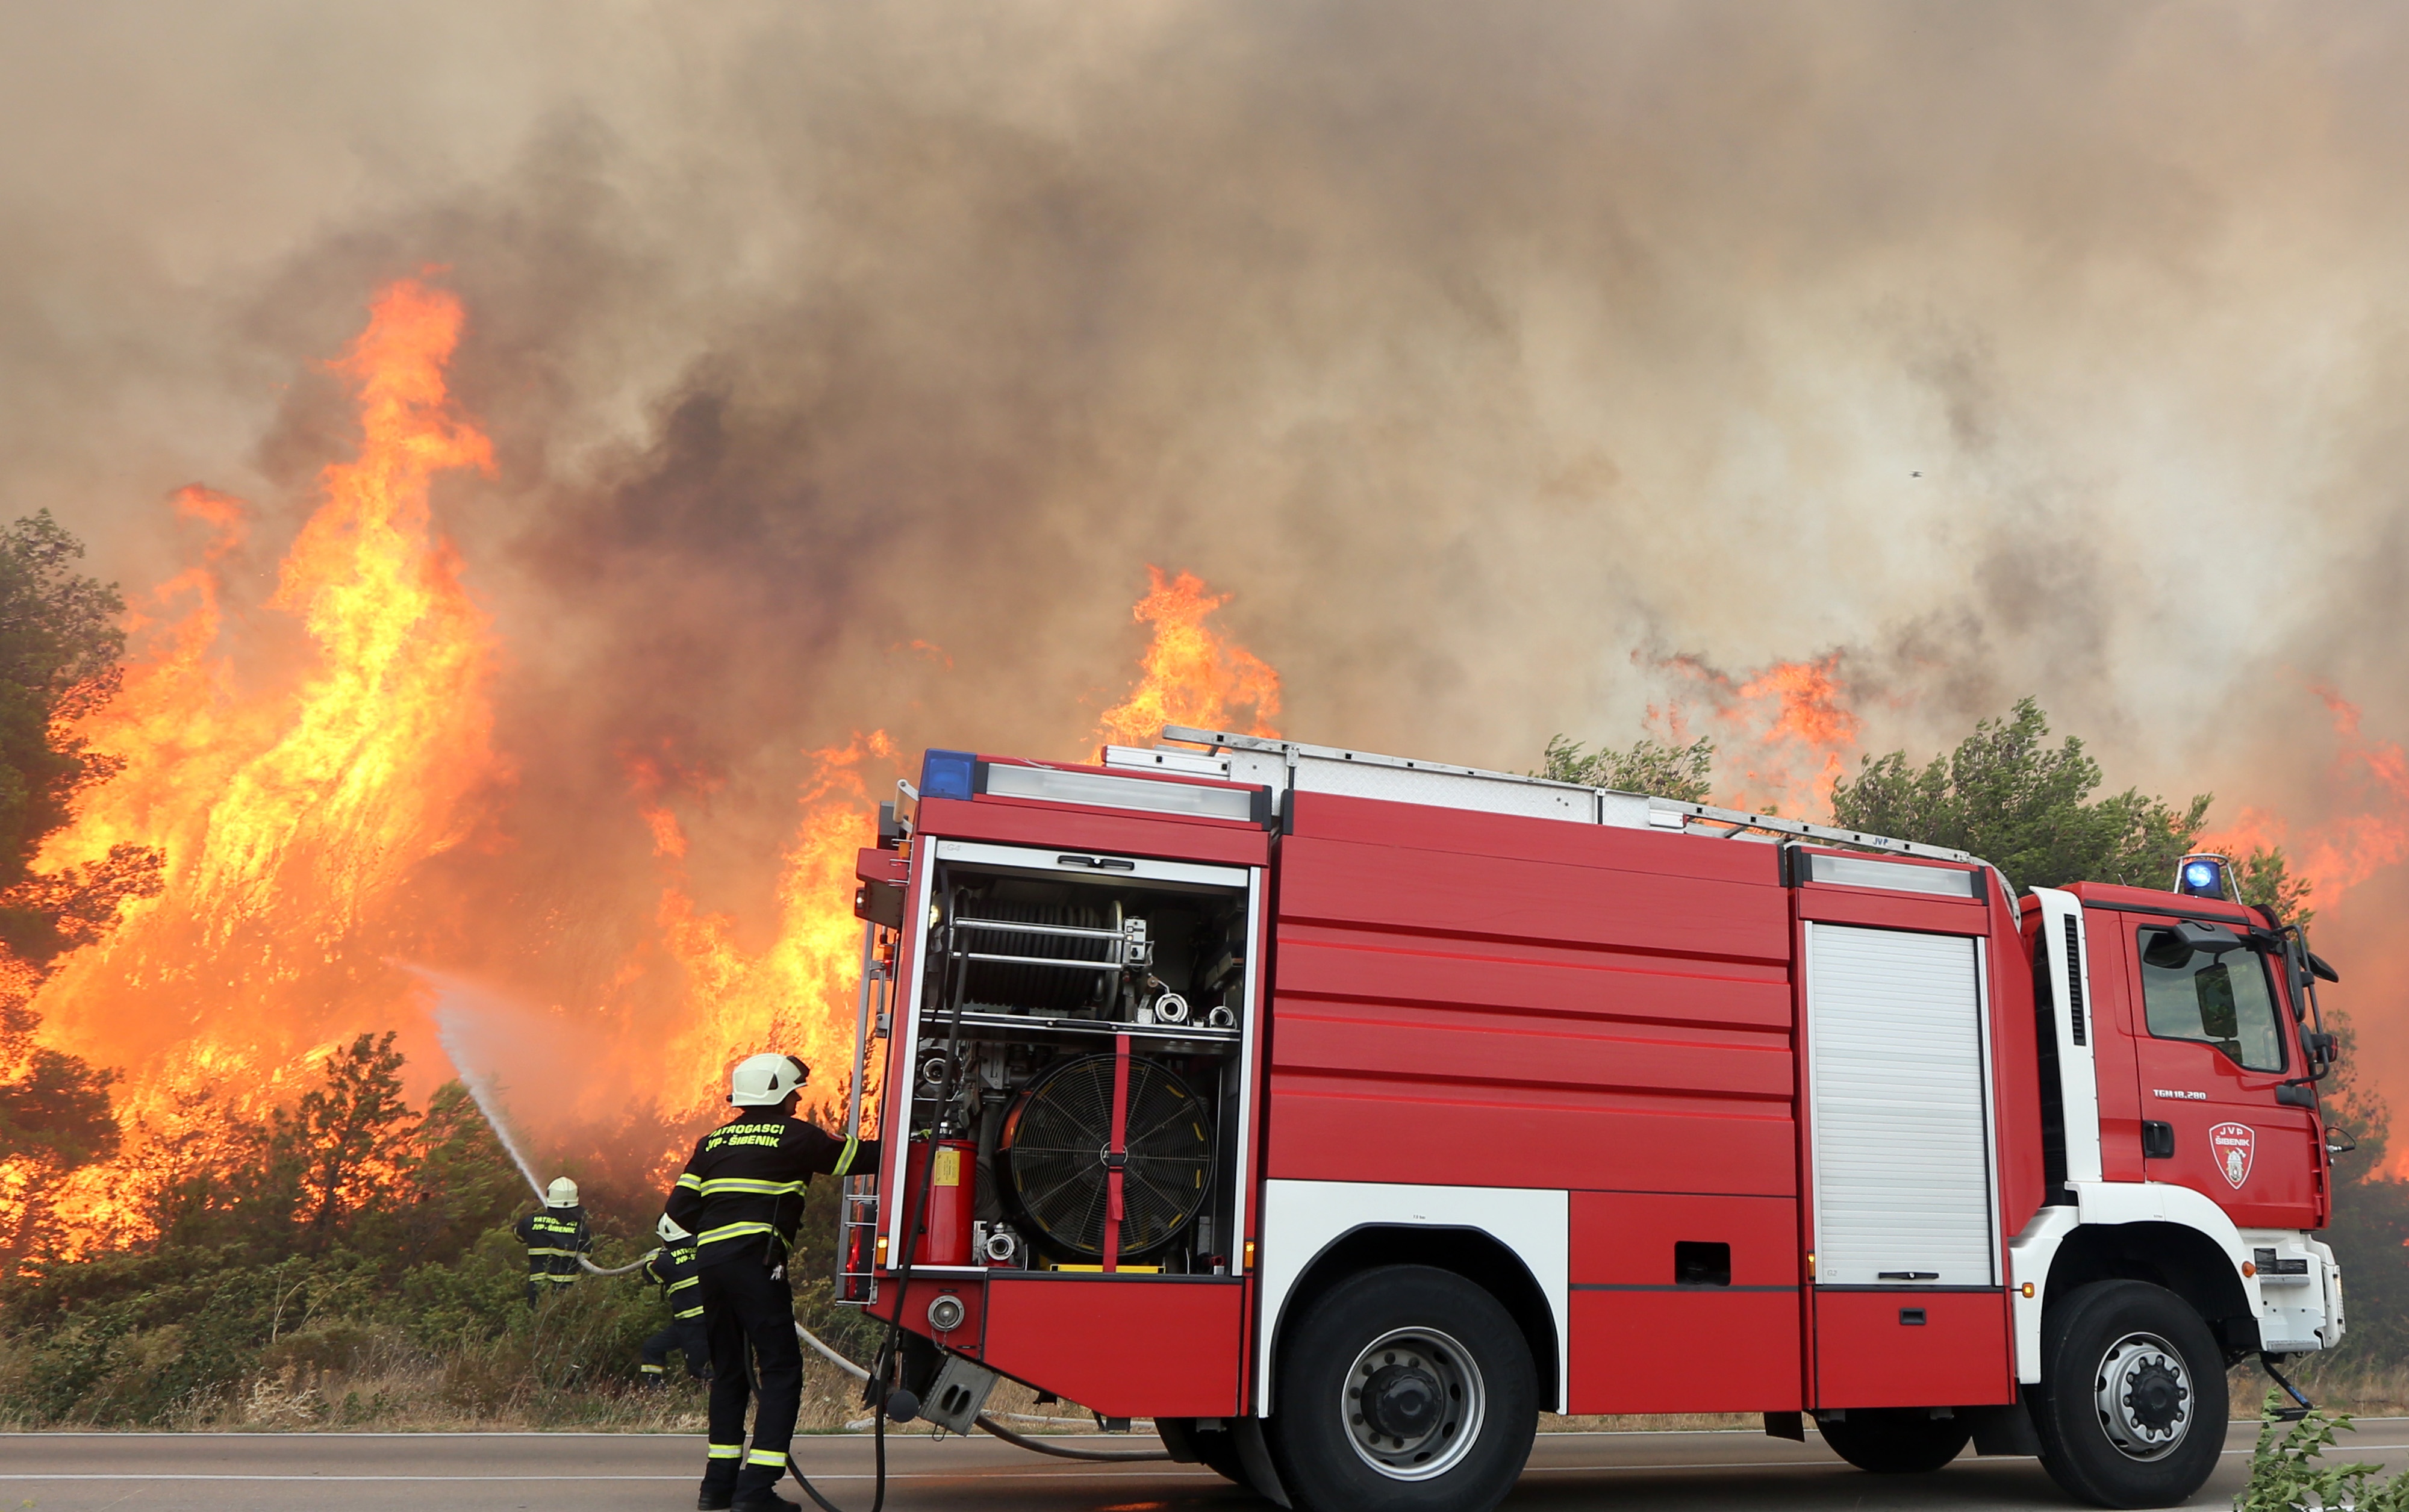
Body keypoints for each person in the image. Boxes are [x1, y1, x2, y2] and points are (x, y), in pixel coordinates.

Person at [664, 1053, 876, 1512]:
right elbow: (861, 1159)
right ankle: (756, 1489)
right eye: (795, 1092)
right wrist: (921, 1142)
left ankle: (717, 1486)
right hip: (756, 1264)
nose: (799, 1099)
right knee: (780, 1369)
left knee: (730, 1372)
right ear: (780, 1092)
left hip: (711, 1266)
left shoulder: (712, 1141)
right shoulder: (797, 1136)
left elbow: (678, 1210)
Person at [638, 1213, 709, 1386]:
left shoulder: (665, 1262)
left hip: (694, 1324)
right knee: (652, 1348)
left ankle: (729, 1394)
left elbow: (649, 1274)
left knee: (698, 1370)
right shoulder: (704, 1250)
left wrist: (652, 1255)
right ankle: (656, 1394)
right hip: (694, 1322)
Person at [513, 1177, 592, 1305]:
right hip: (568, 1290)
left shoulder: (531, 1222)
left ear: (550, 1196)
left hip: (538, 1287)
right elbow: (587, 1257)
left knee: (537, 1321)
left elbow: (518, 1236)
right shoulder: (582, 1228)